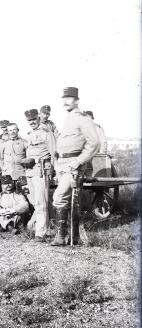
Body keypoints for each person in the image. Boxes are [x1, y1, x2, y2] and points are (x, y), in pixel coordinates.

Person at [51, 87, 99, 246]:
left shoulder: (83, 118)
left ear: (77, 100)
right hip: (63, 165)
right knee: (68, 200)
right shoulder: (69, 118)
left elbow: (94, 143)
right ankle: (72, 237)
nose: (65, 102)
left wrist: (79, 161)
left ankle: (61, 236)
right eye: (63, 99)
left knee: (59, 198)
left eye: (69, 98)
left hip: (73, 166)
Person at [22, 108, 56, 240]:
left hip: (41, 171)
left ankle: (40, 233)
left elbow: (54, 154)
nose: (32, 122)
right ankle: (46, 228)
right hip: (30, 171)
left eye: (34, 119)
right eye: (29, 120)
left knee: (41, 203)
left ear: (38, 118)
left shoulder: (46, 133)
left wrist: (53, 171)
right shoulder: (30, 135)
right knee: (36, 202)